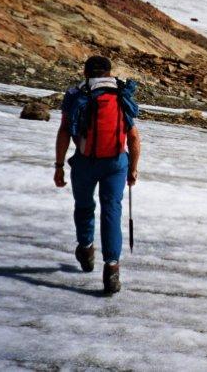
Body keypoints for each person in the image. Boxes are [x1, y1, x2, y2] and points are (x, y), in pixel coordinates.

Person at [53, 56, 141, 295]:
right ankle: (112, 268)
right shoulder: (120, 93)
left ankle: (86, 247)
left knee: (84, 206)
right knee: (111, 210)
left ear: (86, 72)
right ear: (109, 72)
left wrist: (59, 165)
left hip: (84, 162)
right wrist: (132, 167)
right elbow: (133, 137)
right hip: (115, 163)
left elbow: (64, 130)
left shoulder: (76, 94)